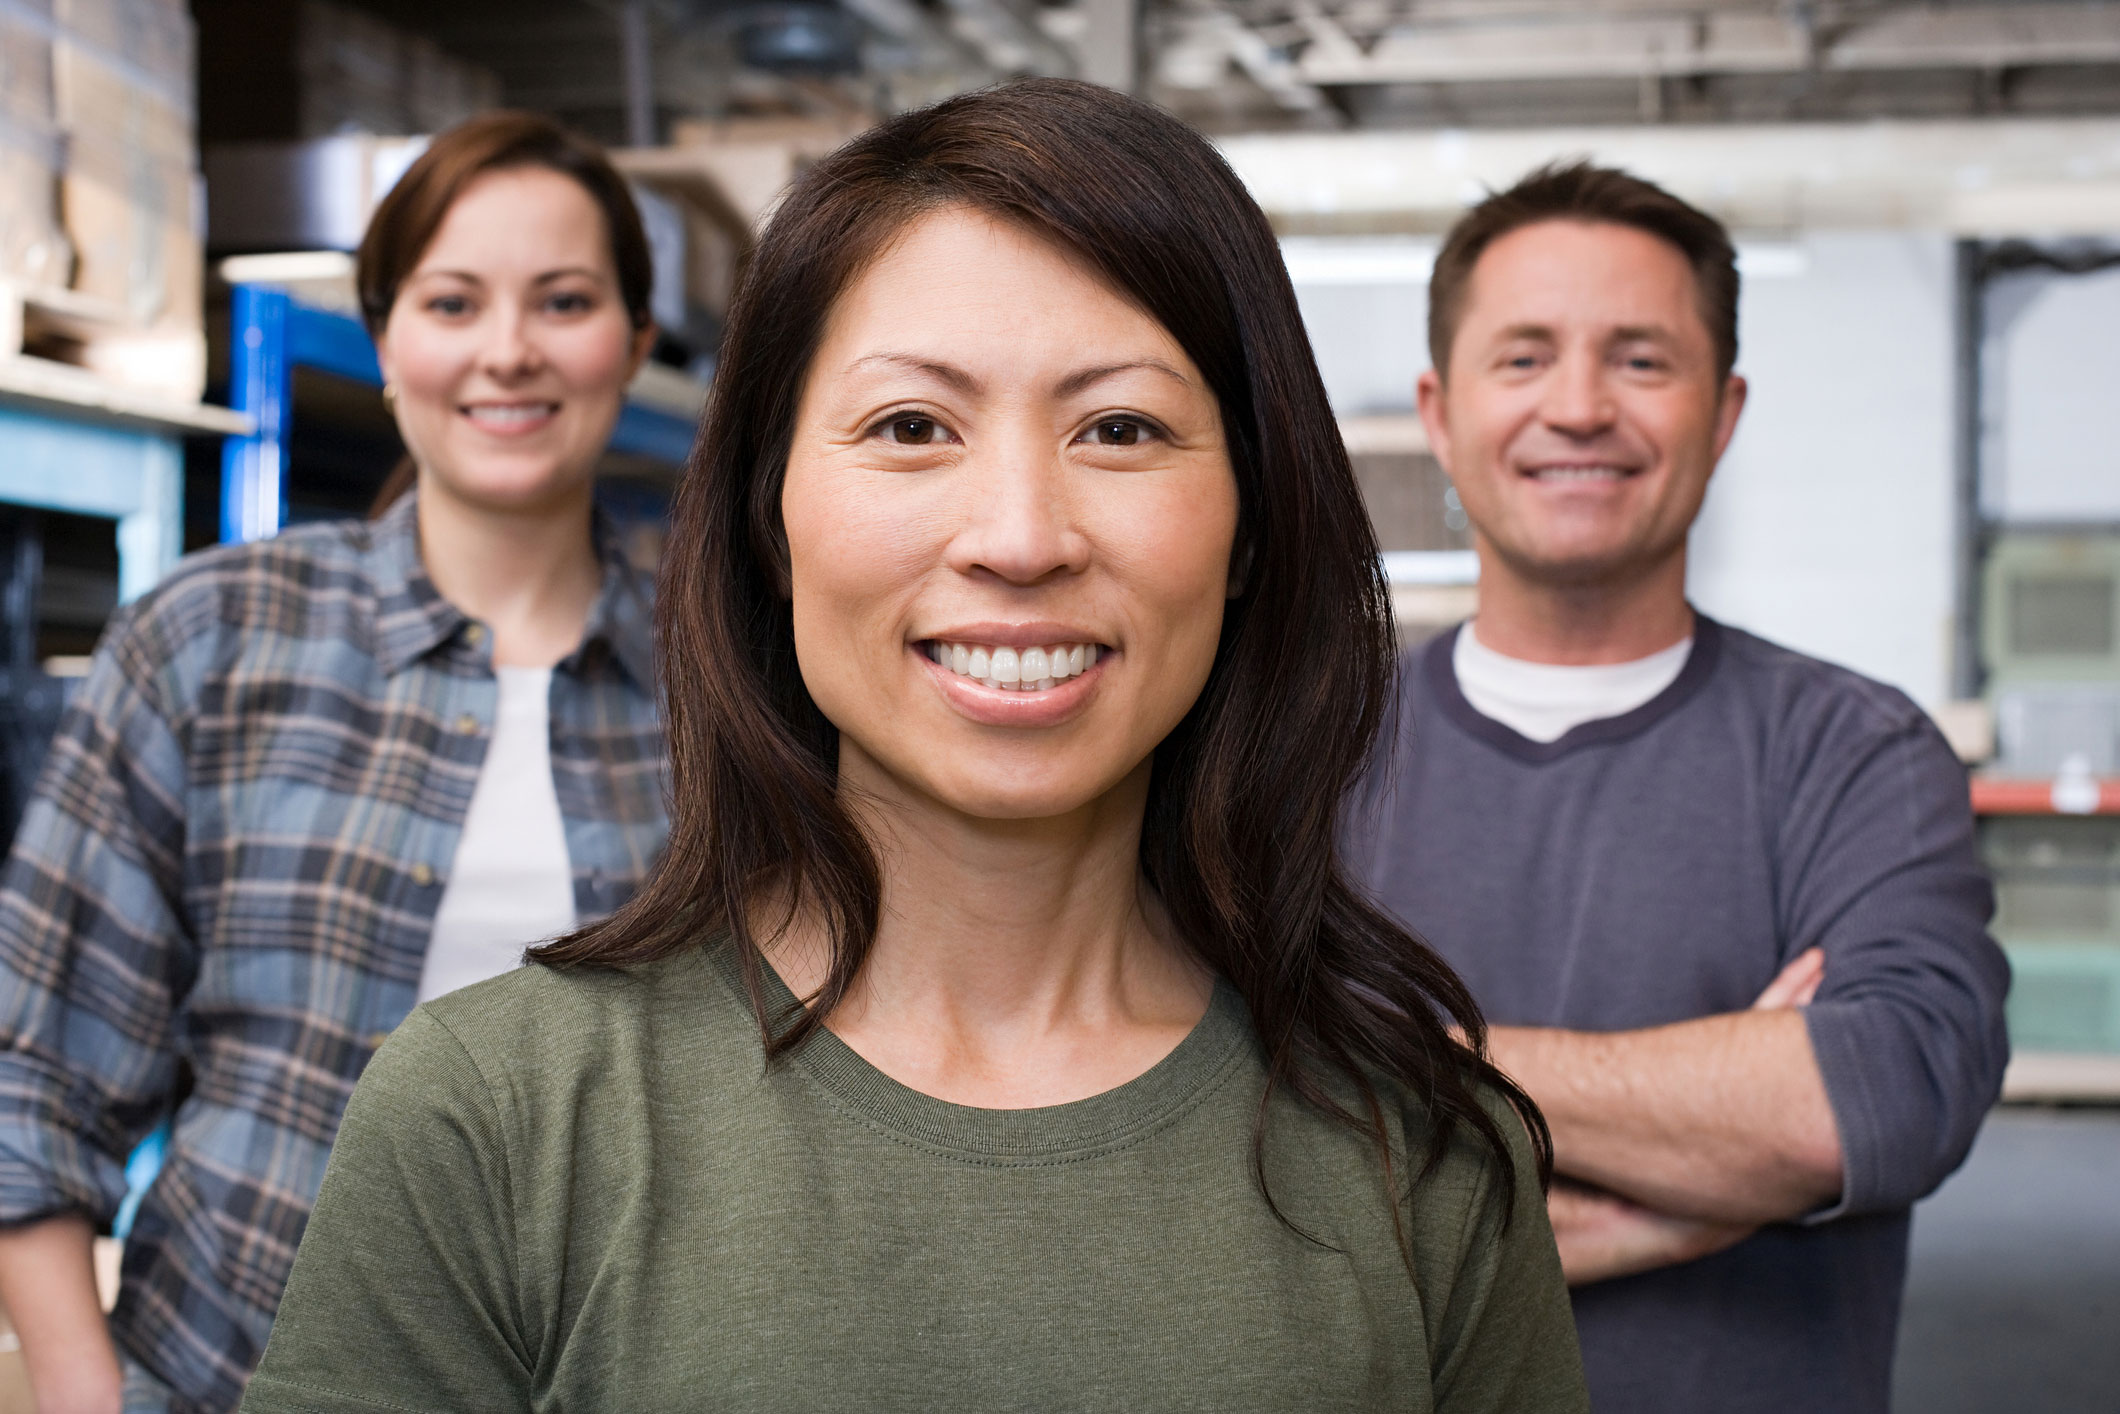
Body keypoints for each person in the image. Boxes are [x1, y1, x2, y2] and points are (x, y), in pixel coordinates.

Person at [238, 80, 1589, 1414]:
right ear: (771, 518)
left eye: (1119, 428)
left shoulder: (1425, 1155)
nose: (1018, 534)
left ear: (1250, 523)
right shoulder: (495, 1117)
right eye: (910, 428)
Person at [0, 112, 669, 1413]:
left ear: (635, 344)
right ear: (386, 344)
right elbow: (34, 1068)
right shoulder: (210, 638)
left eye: (566, 300)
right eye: (454, 300)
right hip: (226, 1375)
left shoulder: (729, 692)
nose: (509, 350)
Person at [1343, 161, 2011, 1414]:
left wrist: (1398, 1058)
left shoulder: (1854, 751)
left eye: (1641, 360)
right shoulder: (1302, 757)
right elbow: (1222, 1146)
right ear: (1440, 410)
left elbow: (1883, 1095)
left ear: (1722, 410)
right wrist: (1692, 1176)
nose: (1580, 407)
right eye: (1524, 356)